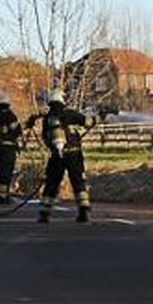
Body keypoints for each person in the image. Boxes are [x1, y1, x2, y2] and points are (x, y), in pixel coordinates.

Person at [34, 89, 100, 223]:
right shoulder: (70, 113)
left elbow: (45, 138)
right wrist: (99, 117)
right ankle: (84, 212)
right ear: (61, 100)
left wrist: (54, 149)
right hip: (74, 154)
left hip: (56, 156)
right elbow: (88, 122)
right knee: (78, 182)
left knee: (52, 183)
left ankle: (44, 214)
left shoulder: (47, 119)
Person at [0, 93, 22, 204]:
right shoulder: (11, 116)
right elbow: (17, 131)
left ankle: (1, 195)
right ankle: (4, 196)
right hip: (9, 147)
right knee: (7, 171)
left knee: (0, 170)